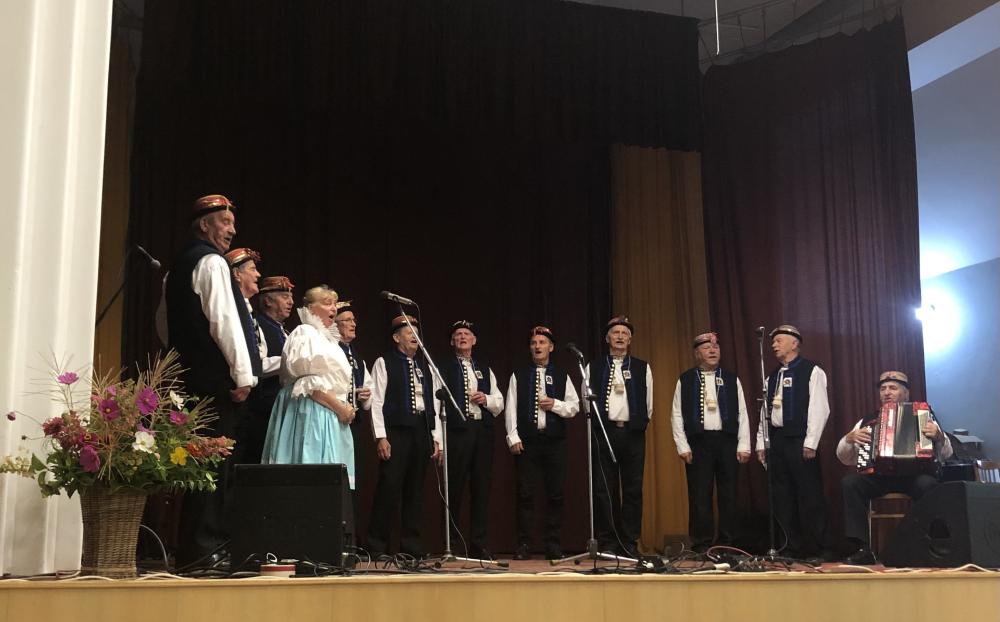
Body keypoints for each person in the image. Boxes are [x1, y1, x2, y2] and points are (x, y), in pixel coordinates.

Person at [165, 194, 260, 567]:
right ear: (204, 225)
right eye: (225, 222)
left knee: (198, 465)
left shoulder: (177, 267)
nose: (232, 229)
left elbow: (163, 323)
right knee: (214, 468)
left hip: (190, 381)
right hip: (216, 383)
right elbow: (225, 322)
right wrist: (242, 374)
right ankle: (206, 549)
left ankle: (196, 549)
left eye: (233, 222)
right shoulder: (212, 262)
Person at [837, 371, 953, 564]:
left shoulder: (924, 416)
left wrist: (939, 436)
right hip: (879, 477)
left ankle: (928, 546)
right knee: (850, 483)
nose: (887, 392)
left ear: (906, 393)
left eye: (893, 388)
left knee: (928, 484)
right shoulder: (868, 420)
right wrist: (848, 440)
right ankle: (861, 548)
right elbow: (844, 458)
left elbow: (947, 453)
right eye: (883, 389)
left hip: (914, 476)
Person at [754, 324, 832, 560]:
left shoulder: (812, 371)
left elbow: (819, 408)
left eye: (779, 340)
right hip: (777, 440)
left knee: (810, 495)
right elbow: (764, 412)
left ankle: (817, 548)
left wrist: (811, 442)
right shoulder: (772, 377)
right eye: (772, 341)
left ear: (794, 343)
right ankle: (789, 548)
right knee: (782, 497)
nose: (773, 345)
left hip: (800, 440)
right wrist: (761, 442)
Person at [261, 285, 356, 476]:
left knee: (331, 478)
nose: (333, 308)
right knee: (310, 473)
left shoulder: (328, 339)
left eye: (334, 304)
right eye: (327, 303)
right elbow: (308, 382)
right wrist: (340, 408)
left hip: (328, 412)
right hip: (312, 412)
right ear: (311, 308)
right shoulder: (305, 332)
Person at [367, 314, 442, 558]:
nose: (414, 337)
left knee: (415, 490)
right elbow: (376, 401)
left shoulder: (426, 366)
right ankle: (377, 546)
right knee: (389, 487)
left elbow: (434, 404)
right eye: (409, 332)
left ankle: (411, 547)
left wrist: (436, 437)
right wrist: (381, 436)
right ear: (396, 337)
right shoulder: (384, 362)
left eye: (416, 333)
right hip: (396, 431)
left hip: (421, 430)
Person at [671, 331, 750, 551]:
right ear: (697, 354)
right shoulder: (686, 379)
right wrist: (682, 445)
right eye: (707, 348)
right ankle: (701, 544)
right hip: (699, 443)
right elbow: (676, 414)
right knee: (699, 495)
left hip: (727, 442)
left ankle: (727, 543)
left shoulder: (732, 379)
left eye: (716, 347)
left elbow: (742, 412)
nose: (712, 351)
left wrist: (744, 444)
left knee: (728, 494)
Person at [505, 326, 580, 560]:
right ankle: (524, 544)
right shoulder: (519, 375)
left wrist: (555, 405)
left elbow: (574, 406)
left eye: (542, 342)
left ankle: (553, 544)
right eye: (533, 343)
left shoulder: (562, 375)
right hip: (527, 441)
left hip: (555, 441)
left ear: (551, 347)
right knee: (525, 494)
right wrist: (513, 437)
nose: (537, 346)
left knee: (555, 494)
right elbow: (510, 407)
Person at [587, 315, 653, 558]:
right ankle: (606, 541)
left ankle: (629, 542)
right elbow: (586, 403)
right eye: (616, 332)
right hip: (604, 433)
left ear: (630, 340)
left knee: (633, 489)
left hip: (633, 434)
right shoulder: (593, 367)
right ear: (607, 338)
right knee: (603, 488)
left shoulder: (642, 367)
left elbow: (649, 405)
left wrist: (636, 425)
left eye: (625, 333)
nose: (620, 337)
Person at [441, 320, 504, 559]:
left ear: (474, 340)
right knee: (455, 487)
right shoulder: (444, 368)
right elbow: (437, 404)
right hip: (457, 432)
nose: (462, 337)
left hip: (482, 432)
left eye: (466, 334)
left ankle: (479, 544)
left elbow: (499, 402)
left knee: (481, 487)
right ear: (452, 341)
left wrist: (486, 399)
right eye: (458, 334)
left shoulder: (484, 368)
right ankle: (453, 544)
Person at [222, 248, 274, 466]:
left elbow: (258, 357)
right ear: (236, 274)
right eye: (252, 269)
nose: (258, 274)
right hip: (235, 393)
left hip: (251, 399)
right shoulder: (231, 309)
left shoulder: (250, 313)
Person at [246, 276, 295, 463]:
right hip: (262, 409)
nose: (291, 302)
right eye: (284, 296)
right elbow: (257, 364)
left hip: (281, 409)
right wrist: (291, 362)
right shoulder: (258, 326)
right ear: (267, 301)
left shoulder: (285, 332)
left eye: (291, 297)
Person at [334, 300, 373, 532]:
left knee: (352, 478)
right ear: (335, 324)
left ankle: (350, 534)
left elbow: (368, 388)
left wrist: (364, 395)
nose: (353, 324)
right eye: (347, 320)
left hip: (353, 424)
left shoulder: (357, 357)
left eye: (353, 320)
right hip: (334, 422)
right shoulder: (331, 349)